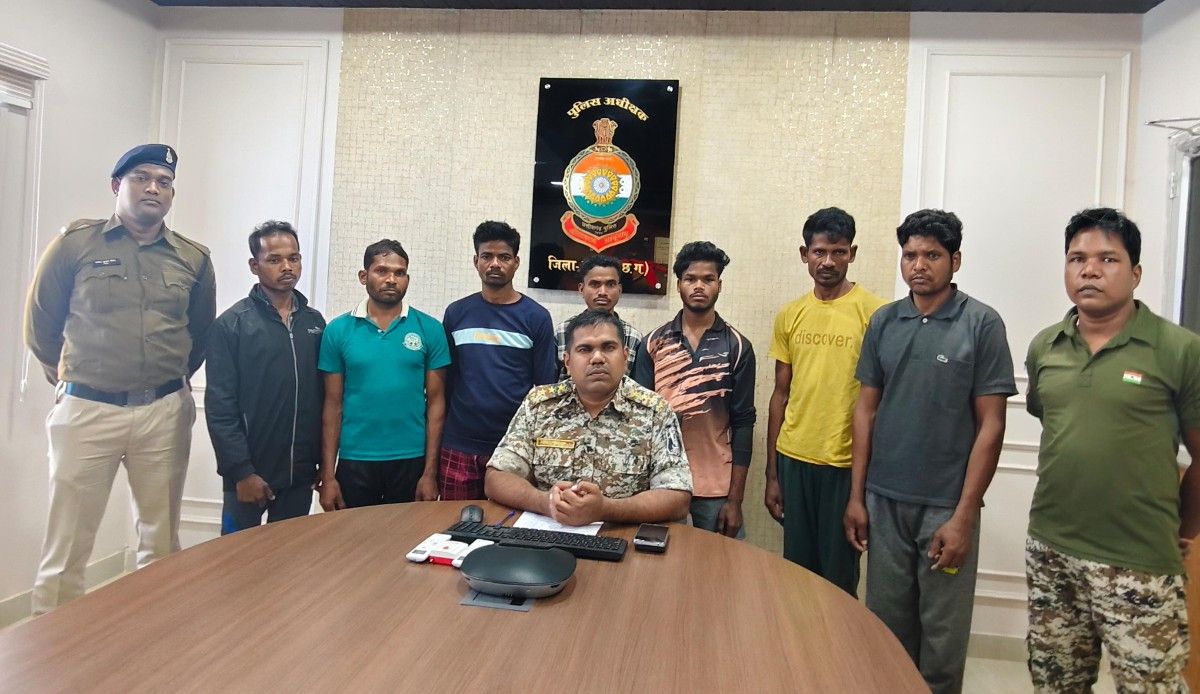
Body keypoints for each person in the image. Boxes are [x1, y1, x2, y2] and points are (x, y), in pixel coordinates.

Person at [24, 144, 215, 614]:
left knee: (160, 540)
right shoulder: (75, 244)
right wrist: (76, 381)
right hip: (88, 410)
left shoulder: (192, 258)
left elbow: (199, 336)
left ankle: (153, 637)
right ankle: (53, 645)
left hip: (163, 413)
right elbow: (41, 326)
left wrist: (163, 385)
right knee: (67, 545)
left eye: (164, 182)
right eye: (141, 178)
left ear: (171, 194)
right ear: (116, 185)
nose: (154, 188)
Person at [1024, 208, 1200, 692]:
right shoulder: (1045, 347)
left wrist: (1182, 530)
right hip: (1052, 552)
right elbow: (1057, 425)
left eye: (1107, 259)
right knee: (1056, 683)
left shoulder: (1178, 350)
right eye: (1077, 258)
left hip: (1140, 560)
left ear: (1135, 273)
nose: (1090, 270)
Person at [842, 209, 1015, 694]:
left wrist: (964, 515)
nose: (919, 265)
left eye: (932, 255)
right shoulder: (884, 321)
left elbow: (992, 425)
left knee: (942, 638)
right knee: (886, 629)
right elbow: (865, 411)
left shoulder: (981, 324)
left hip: (946, 506)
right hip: (884, 500)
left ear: (955, 260)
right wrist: (857, 497)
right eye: (910, 255)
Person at [764, 208, 886, 594]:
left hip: (845, 463)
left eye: (838, 252)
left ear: (852, 253)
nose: (828, 262)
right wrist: (772, 475)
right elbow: (780, 394)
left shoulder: (876, 314)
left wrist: (864, 486)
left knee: (838, 578)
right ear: (805, 254)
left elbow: (881, 400)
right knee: (797, 575)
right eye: (819, 252)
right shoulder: (791, 314)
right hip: (794, 458)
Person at [486, 309, 691, 524]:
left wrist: (606, 510)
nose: (597, 358)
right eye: (585, 349)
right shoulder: (540, 405)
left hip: (621, 534)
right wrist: (545, 503)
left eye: (608, 347)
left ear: (625, 357)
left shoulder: (655, 411)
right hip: (551, 531)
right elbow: (497, 477)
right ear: (567, 361)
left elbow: (677, 497)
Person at [205, 220, 325, 533]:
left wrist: (320, 462)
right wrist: (241, 472)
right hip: (248, 475)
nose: (287, 267)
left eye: (293, 258)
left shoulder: (315, 323)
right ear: (254, 266)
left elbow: (323, 397)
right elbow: (220, 407)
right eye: (274, 259)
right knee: (236, 556)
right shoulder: (231, 325)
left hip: (299, 474)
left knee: (289, 556)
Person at [634, 241, 755, 538]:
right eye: (690, 279)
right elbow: (639, 420)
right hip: (660, 483)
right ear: (678, 285)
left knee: (718, 564)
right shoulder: (653, 344)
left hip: (716, 488)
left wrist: (736, 500)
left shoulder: (738, 346)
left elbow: (743, 423)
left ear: (719, 285)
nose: (699, 286)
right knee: (659, 561)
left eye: (708, 279)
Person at [317, 240, 449, 509]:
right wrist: (328, 477)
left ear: (407, 279)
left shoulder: (430, 329)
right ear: (363, 276)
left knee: (406, 535)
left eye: (399, 273)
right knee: (354, 535)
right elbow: (332, 405)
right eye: (382, 271)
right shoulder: (337, 330)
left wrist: (430, 473)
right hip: (355, 459)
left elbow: (436, 404)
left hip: (411, 460)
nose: (391, 279)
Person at [440, 221, 558, 500]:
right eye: (487, 256)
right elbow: (446, 383)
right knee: (454, 522)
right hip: (459, 444)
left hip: (514, 445)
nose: (495, 264)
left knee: (508, 523)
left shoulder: (537, 317)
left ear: (516, 263)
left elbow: (544, 391)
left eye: (504, 257)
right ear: (476, 261)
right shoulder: (456, 313)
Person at [554, 254, 642, 378]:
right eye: (595, 284)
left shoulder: (633, 337)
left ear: (619, 290)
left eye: (610, 284)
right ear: (581, 289)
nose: (602, 292)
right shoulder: (562, 332)